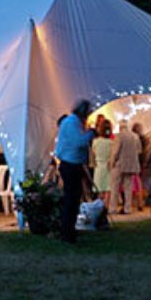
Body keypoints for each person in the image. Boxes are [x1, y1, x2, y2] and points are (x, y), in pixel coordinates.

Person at [53, 99, 94, 243]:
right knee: (71, 199)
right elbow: (79, 142)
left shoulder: (72, 122)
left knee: (73, 199)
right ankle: (67, 232)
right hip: (70, 165)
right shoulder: (72, 123)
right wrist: (90, 134)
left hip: (73, 164)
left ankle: (69, 229)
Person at [111, 119, 143, 214]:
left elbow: (115, 152)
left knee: (115, 187)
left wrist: (112, 162)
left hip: (119, 165)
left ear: (120, 127)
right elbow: (139, 151)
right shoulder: (135, 136)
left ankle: (113, 208)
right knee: (128, 188)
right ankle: (127, 208)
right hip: (131, 165)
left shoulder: (119, 136)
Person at [91, 119, 116, 209]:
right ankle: (106, 207)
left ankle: (99, 207)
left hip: (98, 166)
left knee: (100, 189)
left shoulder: (95, 142)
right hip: (108, 166)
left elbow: (93, 153)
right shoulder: (112, 143)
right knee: (108, 188)